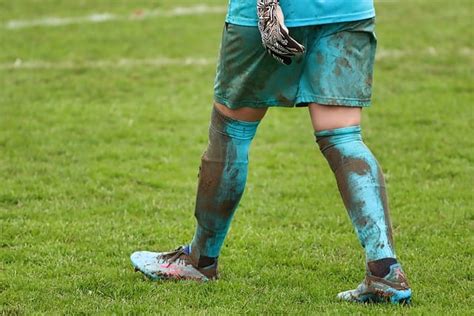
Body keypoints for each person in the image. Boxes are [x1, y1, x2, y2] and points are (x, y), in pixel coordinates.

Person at [131, 0, 412, 304]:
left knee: (231, 131)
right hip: (348, 11)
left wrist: (266, 7)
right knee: (343, 137)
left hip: (277, 14)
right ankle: (385, 272)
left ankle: (200, 262)